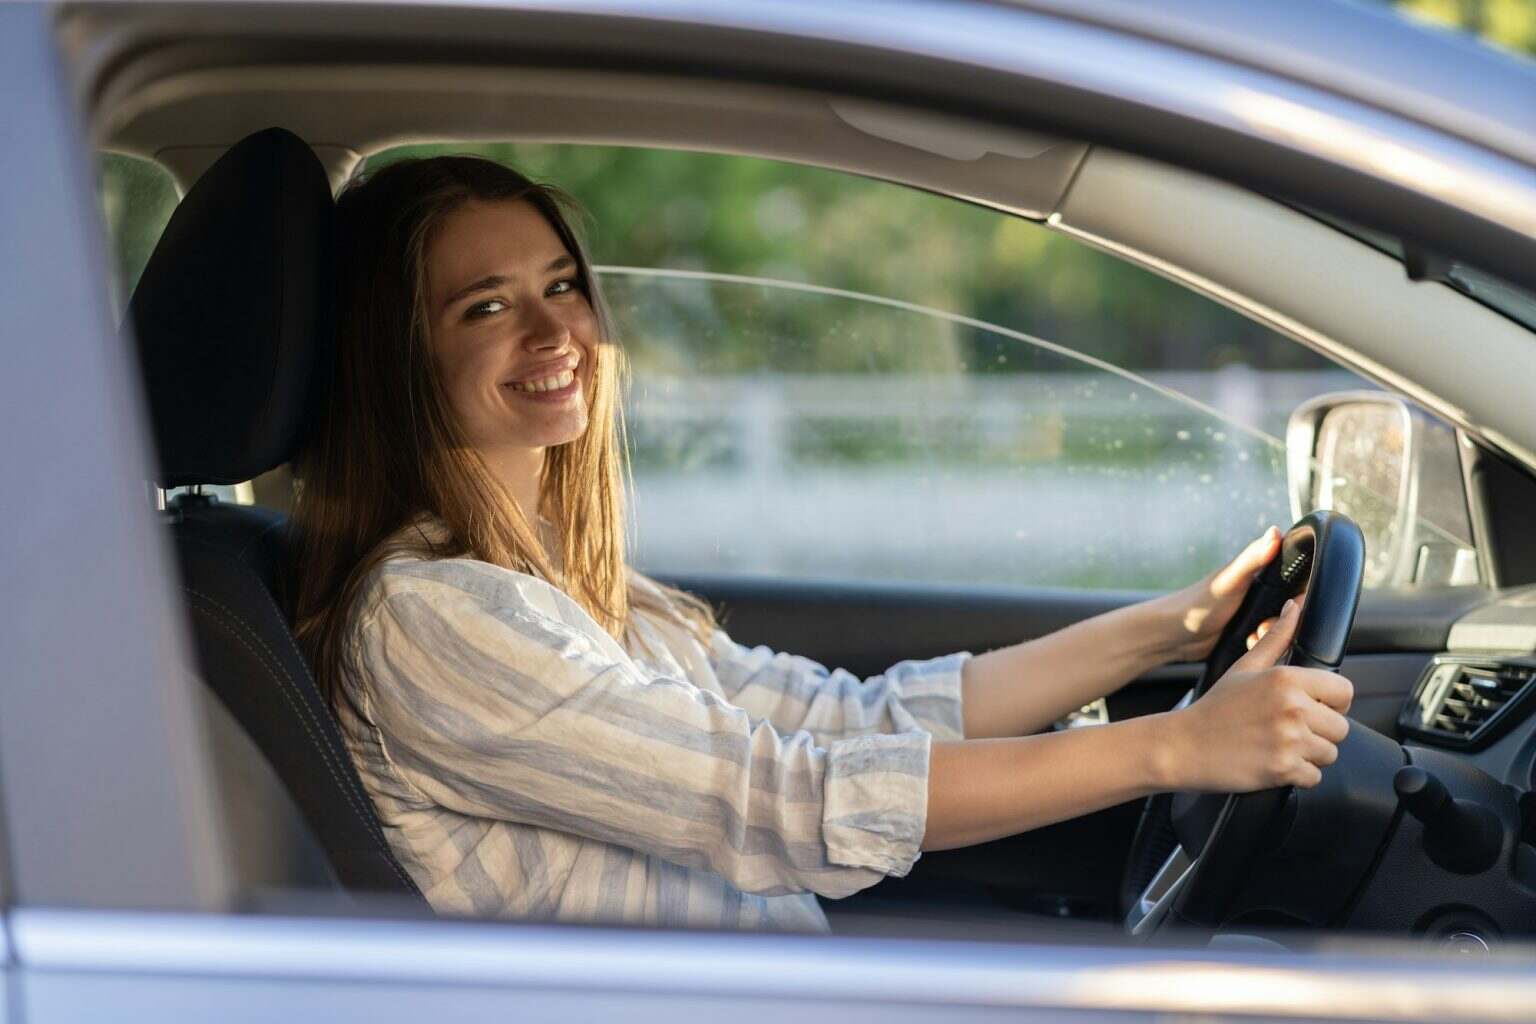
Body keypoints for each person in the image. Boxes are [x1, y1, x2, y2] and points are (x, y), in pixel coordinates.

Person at [291, 155, 1353, 930]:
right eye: (487, 306)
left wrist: (1178, 623)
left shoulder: (555, 575)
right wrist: (1171, 747)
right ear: (400, 359)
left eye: (562, 284)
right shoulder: (432, 618)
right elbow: (783, 802)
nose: (555, 331)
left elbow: (851, 720)